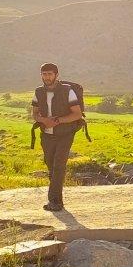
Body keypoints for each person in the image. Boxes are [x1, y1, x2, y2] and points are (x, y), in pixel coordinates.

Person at [30, 63, 83, 212]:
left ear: (56, 75)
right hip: (46, 135)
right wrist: (43, 121)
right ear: (41, 75)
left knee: (59, 166)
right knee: (51, 166)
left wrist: (58, 121)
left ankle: (54, 202)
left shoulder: (68, 91)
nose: (47, 77)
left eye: (50, 74)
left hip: (65, 134)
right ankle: (57, 199)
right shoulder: (38, 92)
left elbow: (77, 114)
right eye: (44, 74)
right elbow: (34, 113)